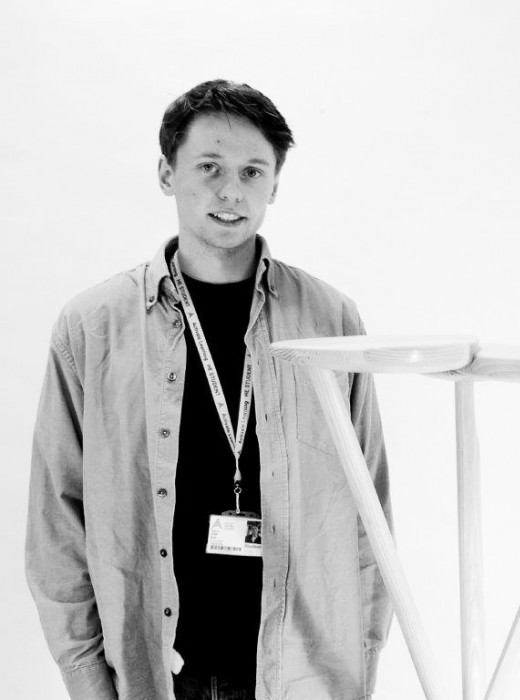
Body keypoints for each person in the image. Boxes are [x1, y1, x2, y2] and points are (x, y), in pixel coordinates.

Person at [26, 79, 393, 700]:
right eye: (209, 167)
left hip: (300, 673)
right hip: (153, 672)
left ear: (275, 184)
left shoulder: (331, 320)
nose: (231, 191)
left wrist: (359, 662)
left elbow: (370, 514)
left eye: (252, 171)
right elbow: (56, 519)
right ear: (167, 174)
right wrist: (86, 678)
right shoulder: (93, 327)